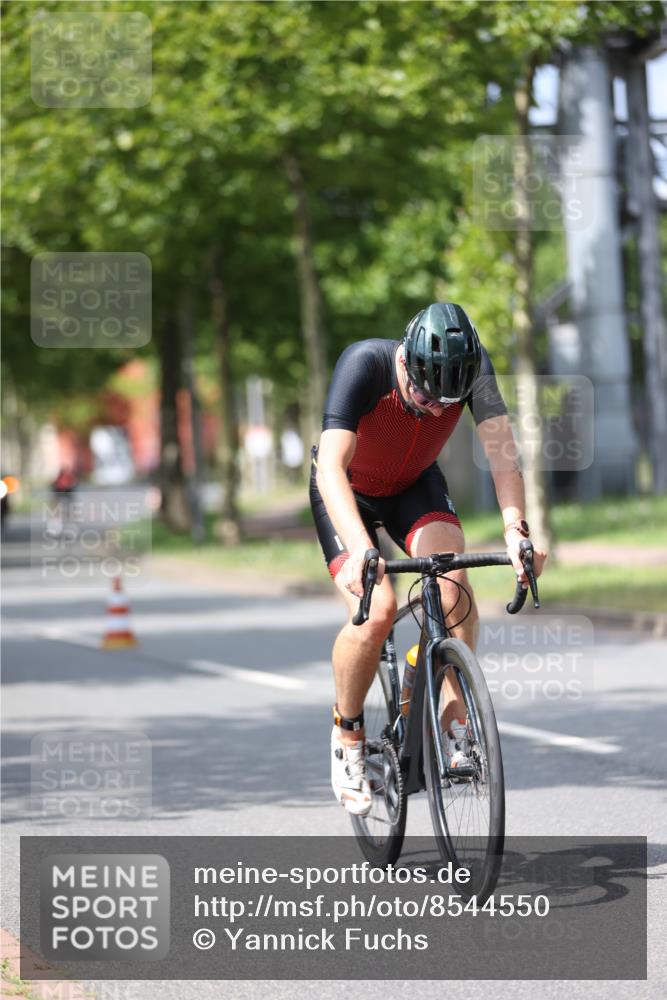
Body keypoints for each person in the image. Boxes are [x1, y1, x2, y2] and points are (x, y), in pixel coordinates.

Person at [309, 302, 547, 815]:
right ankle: (348, 737)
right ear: (407, 363)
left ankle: (452, 714)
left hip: (414, 486)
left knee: (453, 584)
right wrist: (362, 549)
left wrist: (517, 532)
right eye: (423, 394)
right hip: (347, 492)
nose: (436, 409)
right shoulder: (364, 364)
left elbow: (503, 456)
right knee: (375, 613)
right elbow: (331, 466)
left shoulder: (476, 368)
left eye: (448, 401)